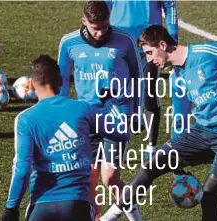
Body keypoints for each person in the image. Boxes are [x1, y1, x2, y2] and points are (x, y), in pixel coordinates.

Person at [99, 25, 217, 221]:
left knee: (209, 197)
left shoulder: (208, 52)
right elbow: (180, 116)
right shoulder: (177, 75)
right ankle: (109, 218)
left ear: (163, 44)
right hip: (202, 132)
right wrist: (177, 159)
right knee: (152, 165)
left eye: (150, 53)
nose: (149, 59)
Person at [1, 54, 129, 221]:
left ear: (32, 84)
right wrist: (109, 106)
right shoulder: (83, 109)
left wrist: (11, 208)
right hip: (78, 205)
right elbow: (121, 133)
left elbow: (22, 170)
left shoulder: (25, 119)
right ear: (61, 81)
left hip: (42, 206)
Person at [57, 1, 142, 219]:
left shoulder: (125, 40)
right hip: (87, 117)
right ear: (84, 21)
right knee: (89, 178)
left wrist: (137, 111)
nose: (101, 32)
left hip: (117, 115)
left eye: (105, 26)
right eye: (96, 28)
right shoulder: (69, 43)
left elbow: (137, 76)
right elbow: (62, 82)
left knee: (110, 177)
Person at [106, 0, 178, 160]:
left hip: (149, 43)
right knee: (118, 93)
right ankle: (118, 147)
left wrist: (172, 36)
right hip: (118, 42)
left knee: (149, 95)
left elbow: (169, 4)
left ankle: (151, 146)